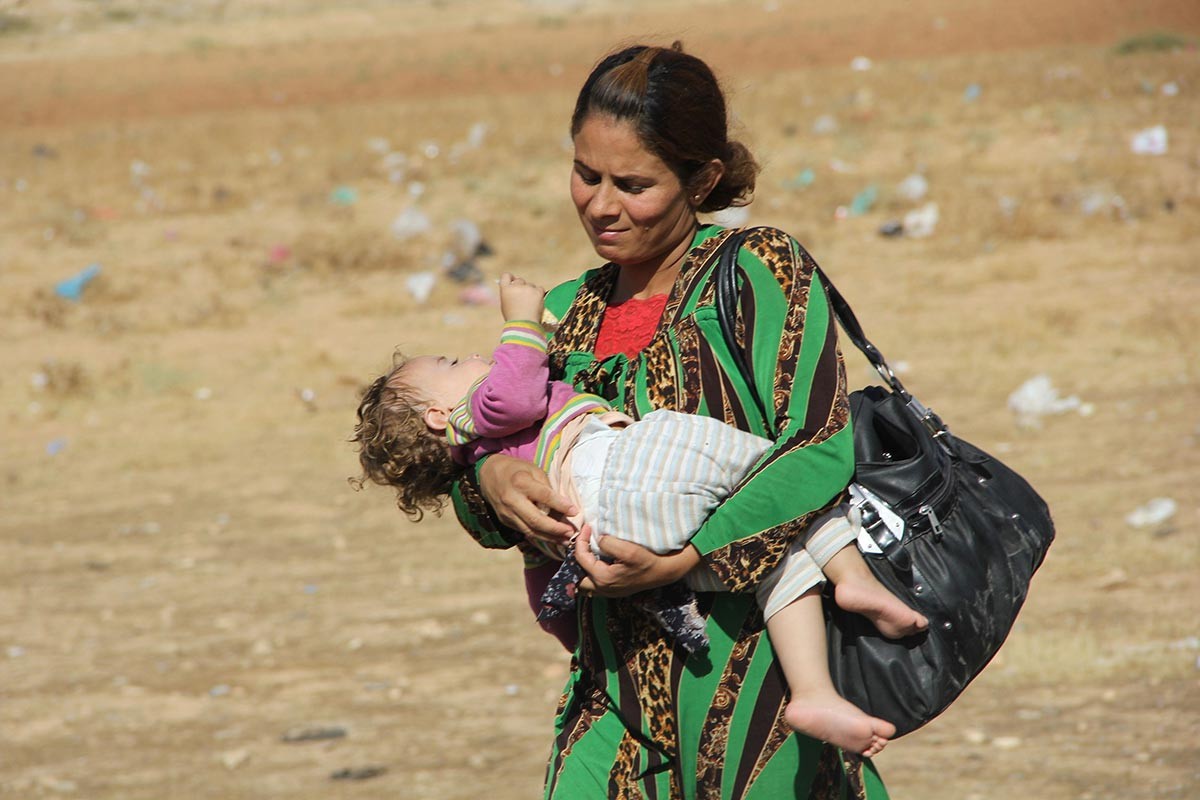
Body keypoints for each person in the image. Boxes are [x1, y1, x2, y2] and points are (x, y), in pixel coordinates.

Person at [444, 42, 902, 798]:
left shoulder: (756, 271)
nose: (600, 203)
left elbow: (817, 449)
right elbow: (482, 456)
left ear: (704, 180)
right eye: (585, 175)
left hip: (757, 678)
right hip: (611, 693)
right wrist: (491, 479)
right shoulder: (561, 313)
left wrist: (685, 560)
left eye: (633, 184)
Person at [352, 273, 926, 756]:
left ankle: (814, 692)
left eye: (632, 183)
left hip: (614, 543)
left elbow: (537, 577)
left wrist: (563, 619)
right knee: (776, 480)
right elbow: (517, 389)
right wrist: (520, 323)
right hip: (623, 476)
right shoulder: (490, 406)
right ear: (437, 416)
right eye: (453, 361)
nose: (474, 357)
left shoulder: (749, 268)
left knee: (781, 551)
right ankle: (852, 577)